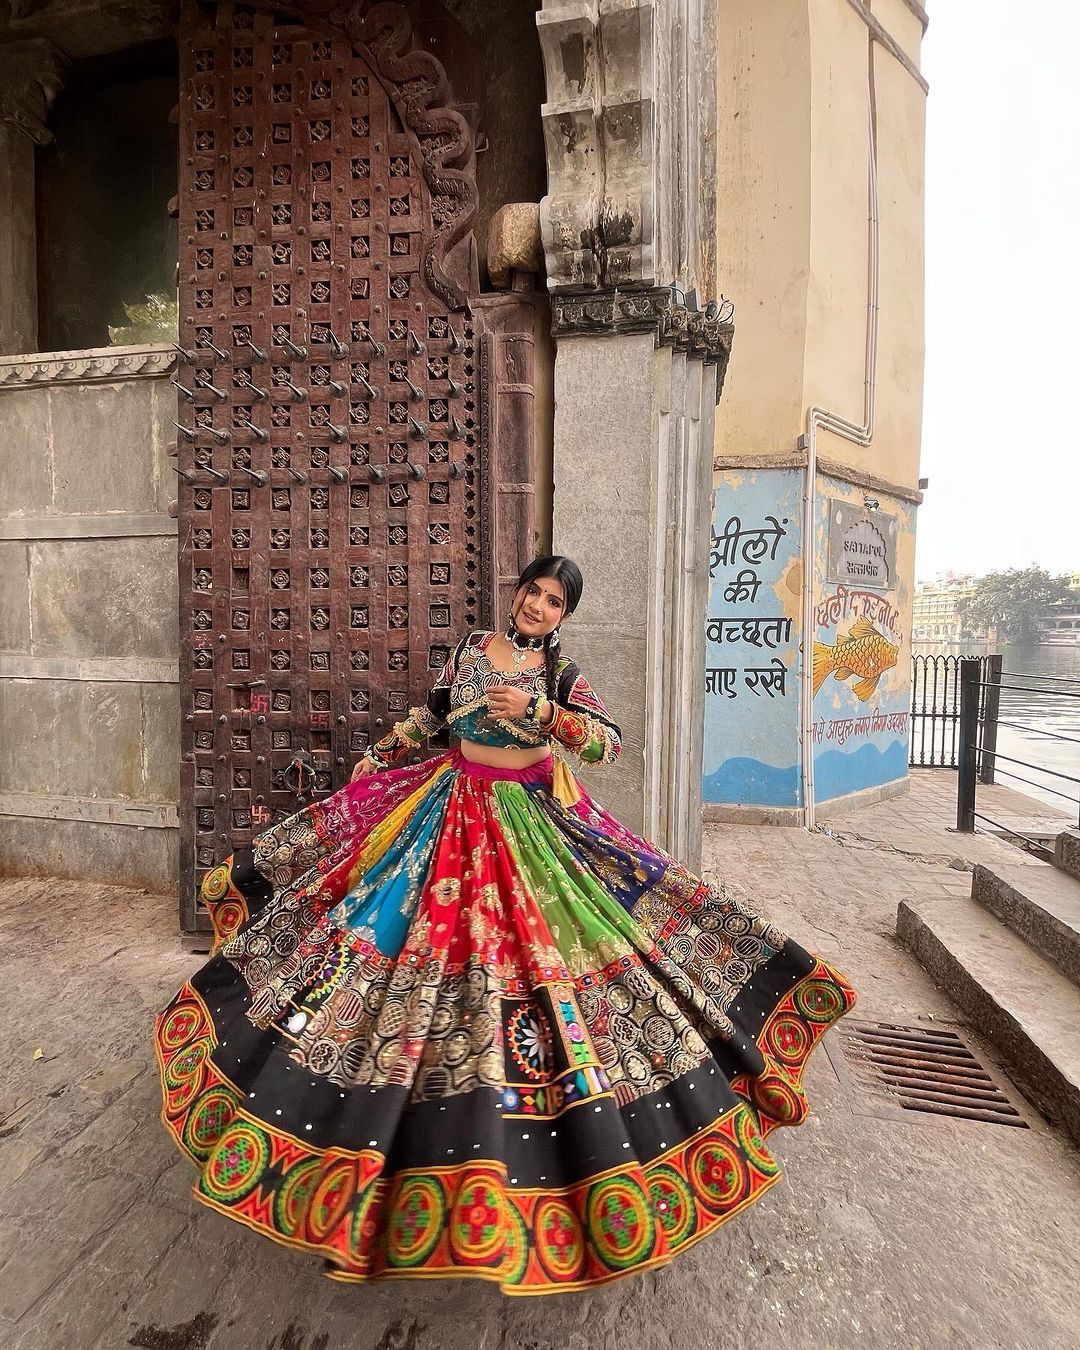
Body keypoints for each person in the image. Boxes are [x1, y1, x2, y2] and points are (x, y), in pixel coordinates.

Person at [155, 555, 854, 1295]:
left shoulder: (561, 674)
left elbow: (609, 743)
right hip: (445, 805)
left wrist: (547, 717)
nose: (539, 607)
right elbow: (435, 713)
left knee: (533, 956)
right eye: (533, 593)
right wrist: (384, 752)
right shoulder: (469, 648)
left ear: (564, 615)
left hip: (524, 822)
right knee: (389, 935)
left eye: (554, 602)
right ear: (516, 594)